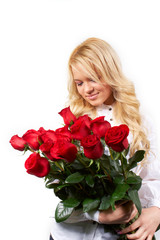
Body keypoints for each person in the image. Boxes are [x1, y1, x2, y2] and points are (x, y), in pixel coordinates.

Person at [50, 37, 160, 240]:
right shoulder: (73, 121)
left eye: (93, 78)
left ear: (111, 73)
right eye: (80, 83)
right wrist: (98, 214)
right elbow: (61, 191)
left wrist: (157, 211)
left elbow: (153, 177)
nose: (86, 90)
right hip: (69, 235)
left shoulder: (139, 120)